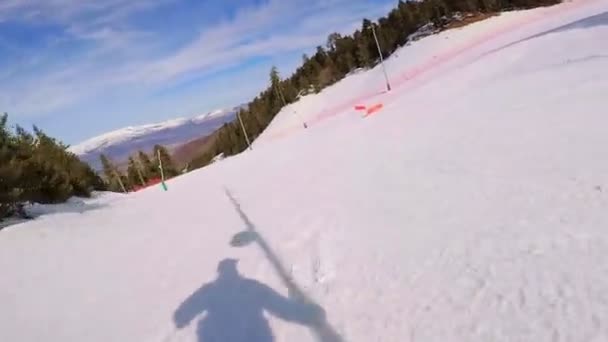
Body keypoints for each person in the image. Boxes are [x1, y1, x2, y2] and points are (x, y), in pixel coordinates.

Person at [174, 258, 326, 342]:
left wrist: (181, 317)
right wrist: (308, 314)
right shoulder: (251, 287)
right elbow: (281, 307)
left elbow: (187, 309)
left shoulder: (210, 290)